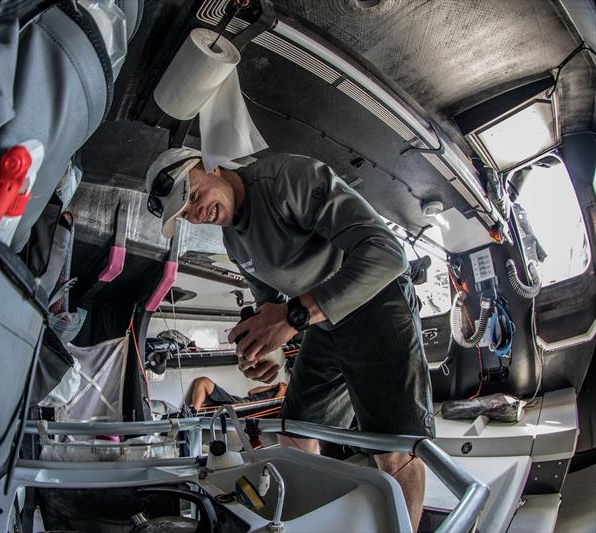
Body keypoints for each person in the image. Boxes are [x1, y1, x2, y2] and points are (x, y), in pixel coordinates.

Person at [145, 147, 434, 531]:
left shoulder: (285, 180)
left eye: (195, 195)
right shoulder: (233, 239)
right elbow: (271, 307)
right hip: (323, 323)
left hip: (376, 302)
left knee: (394, 448)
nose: (197, 213)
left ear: (213, 166)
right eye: (186, 213)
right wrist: (266, 354)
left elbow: (387, 254)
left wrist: (296, 317)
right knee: (293, 432)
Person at [190, 376, 287, 411]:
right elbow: (251, 392)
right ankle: (194, 411)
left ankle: (193, 414)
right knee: (202, 381)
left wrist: (282, 390)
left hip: (247, 406)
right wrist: (272, 386)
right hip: (241, 401)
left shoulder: (285, 396)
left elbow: (275, 404)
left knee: (203, 381)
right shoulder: (277, 389)